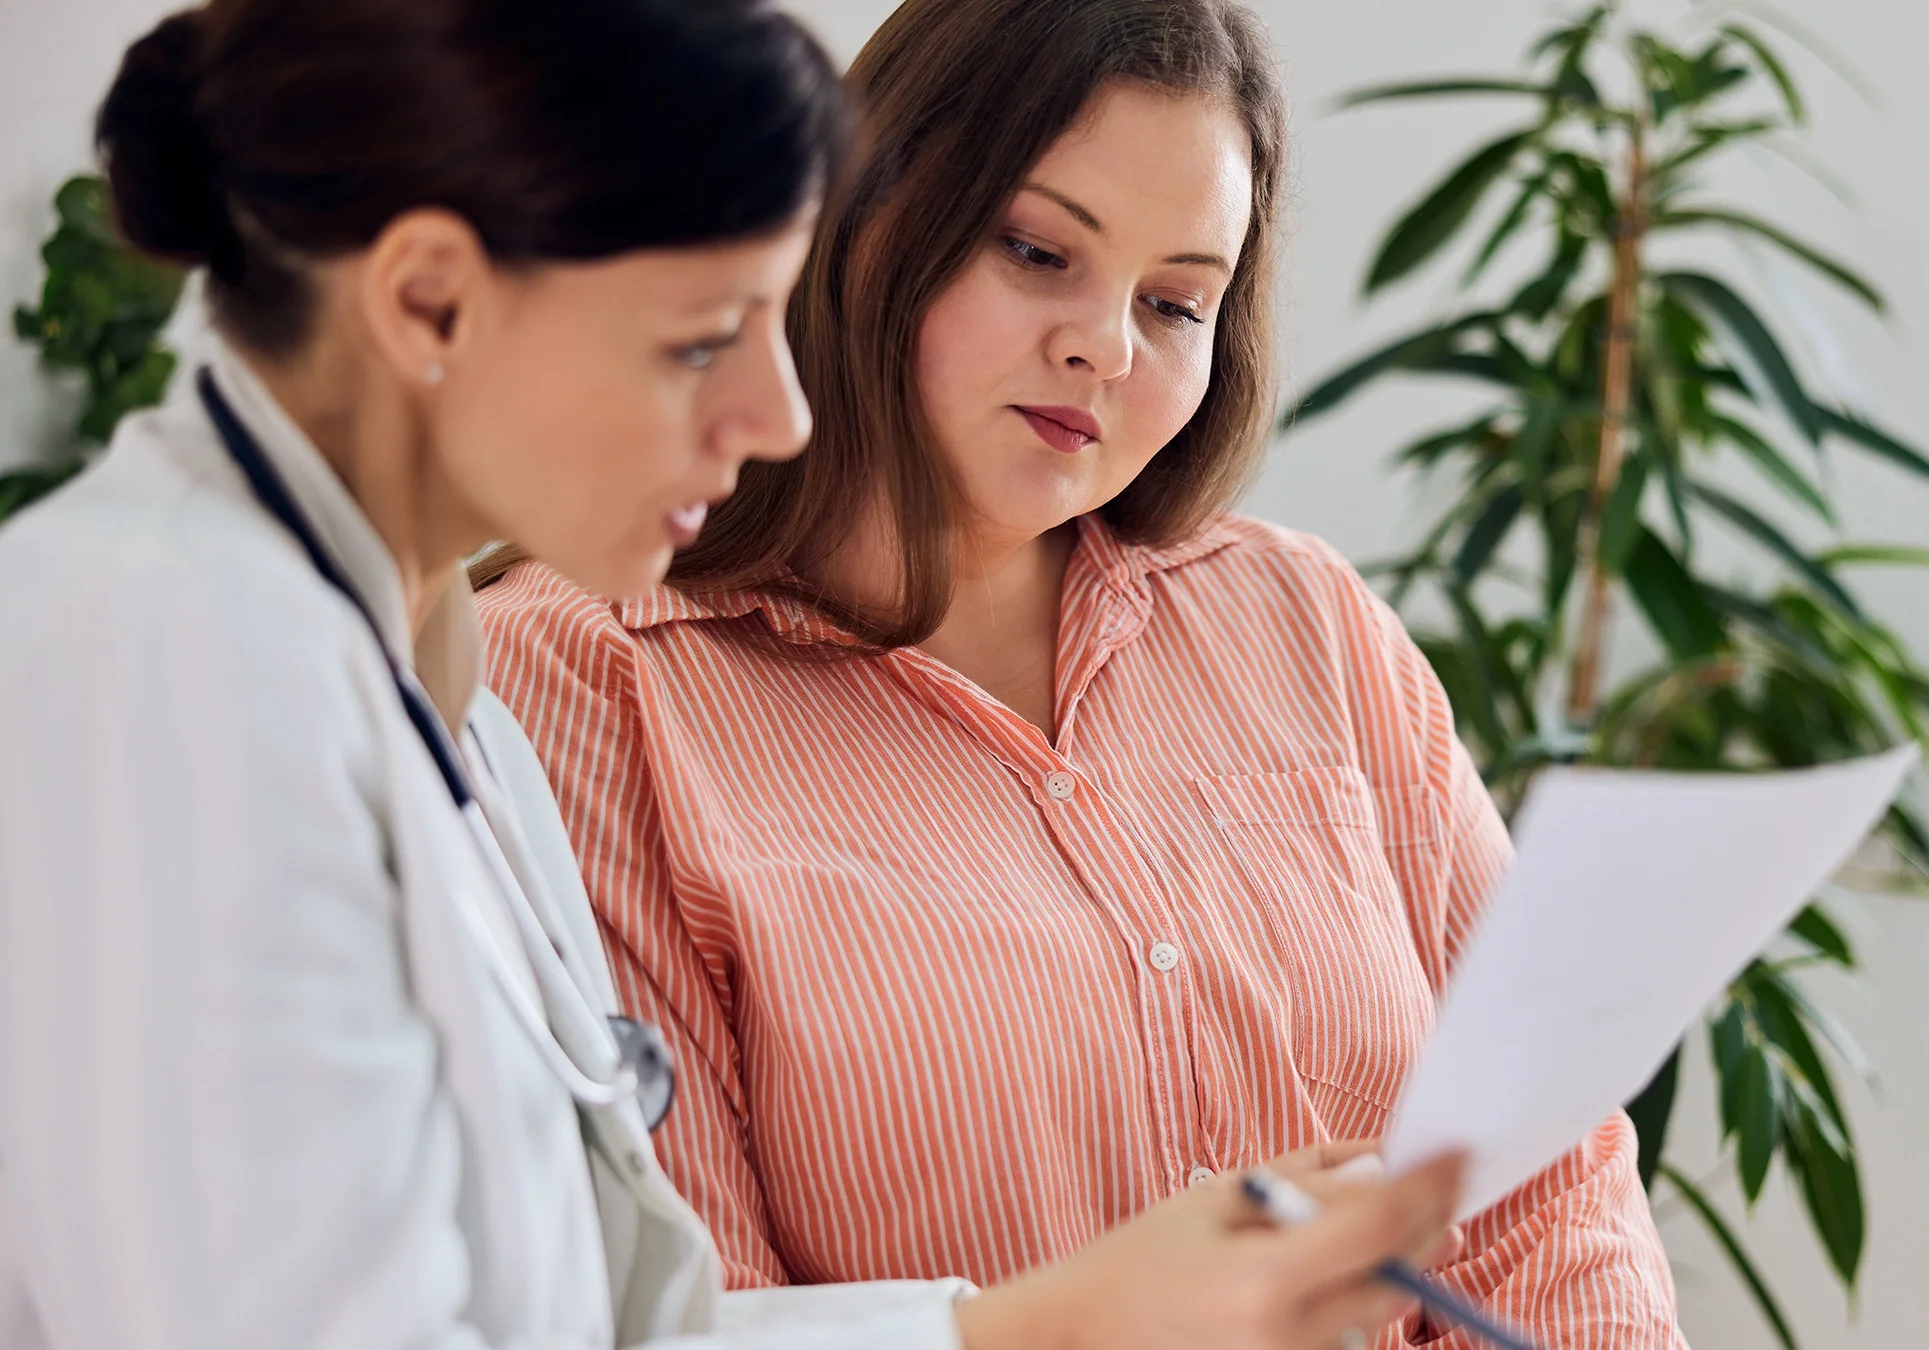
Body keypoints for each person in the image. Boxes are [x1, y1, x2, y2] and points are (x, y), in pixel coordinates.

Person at [0, 2, 1467, 1348]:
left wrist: (1041, 1322)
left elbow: (623, 1329)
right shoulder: (158, 665)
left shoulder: (436, 706)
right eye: (705, 337)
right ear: (434, 302)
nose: (777, 409)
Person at [476, 0, 1685, 1345]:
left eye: (1175, 302)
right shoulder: (592, 679)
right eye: (1039, 251)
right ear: (864, 210)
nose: (1106, 344)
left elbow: (1549, 1188)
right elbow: (683, 1315)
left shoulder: (1310, 625)